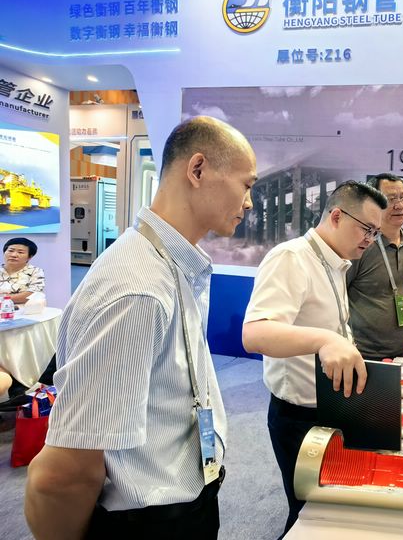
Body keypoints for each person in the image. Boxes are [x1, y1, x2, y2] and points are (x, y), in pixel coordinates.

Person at [24, 116, 258, 540]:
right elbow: (64, 473)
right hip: (148, 523)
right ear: (198, 169)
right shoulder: (138, 288)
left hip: (183, 503)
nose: (250, 202)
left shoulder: (168, 264)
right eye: (246, 185)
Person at [242, 180, 387, 535]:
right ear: (336, 216)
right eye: (366, 229)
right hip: (299, 416)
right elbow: (255, 334)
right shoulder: (292, 258)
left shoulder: (336, 262)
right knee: (308, 516)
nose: (370, 240)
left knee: (335, 508)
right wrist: (325, 339)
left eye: (376, 233)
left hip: (334, 406)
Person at [347, 173, 403, 360]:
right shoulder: (361, 244)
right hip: (365, 354)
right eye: (391, 199)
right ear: (374, 203)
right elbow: (338, 295)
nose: (399, 205)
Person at [0, 237, 45, 304]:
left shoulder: (35, 271)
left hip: (25, 309)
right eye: (11, 251)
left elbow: (32, 295)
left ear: (29, 257)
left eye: (20, 252)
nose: (14, 255)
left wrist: (2, 298)